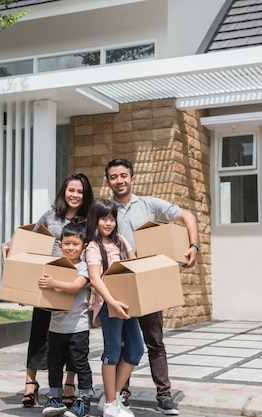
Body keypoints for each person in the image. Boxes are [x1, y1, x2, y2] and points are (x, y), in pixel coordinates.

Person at [103, 158, 199, 416]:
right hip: (120, 283)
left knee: (155, 341)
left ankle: (164, 395)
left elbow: (187, 215)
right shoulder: (105, 210)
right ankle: (121, 394)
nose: (119, 180)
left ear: (132, 178)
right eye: (114, 176)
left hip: (148, 283)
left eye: (123, 175)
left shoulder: (148, 205)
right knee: (123, 345)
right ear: (109, 181)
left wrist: (194, 246)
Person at [1, 173, 94, 408]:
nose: (75, 195)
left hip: (73, 284)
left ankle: (69, 385)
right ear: (64, 191)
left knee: (73, 337)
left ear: (86, 195)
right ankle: (30, 383)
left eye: (80, 191)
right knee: (39, 333)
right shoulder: (51, 216)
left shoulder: (89, 221)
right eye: (71, 190)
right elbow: (29, 240)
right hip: (46, 280)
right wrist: (7, 245)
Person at [85, 198, 142, 417]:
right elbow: (95, 279)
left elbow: (133, 263)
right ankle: (110, 404)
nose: (108, 223)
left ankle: (112, 396)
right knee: (112, 352)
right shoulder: (93, 247)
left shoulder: (119, 240)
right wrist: (112, 303)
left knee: (136, 349)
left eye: (112, 219)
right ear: (95, 220)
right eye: (104, 219)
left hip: (127, 304)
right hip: (108, 306)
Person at [38, 221, 94, 417]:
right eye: (67, 243)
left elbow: (76, 286)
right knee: (54, 364)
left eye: (75, 244)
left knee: (80, 364)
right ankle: (55, 398)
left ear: (84, 246)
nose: (71, 248)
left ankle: (84, 399)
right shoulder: (55, 266)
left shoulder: (84, 267)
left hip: (77, 327)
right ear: (60, 245)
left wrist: (53, 283)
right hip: (56, 327)